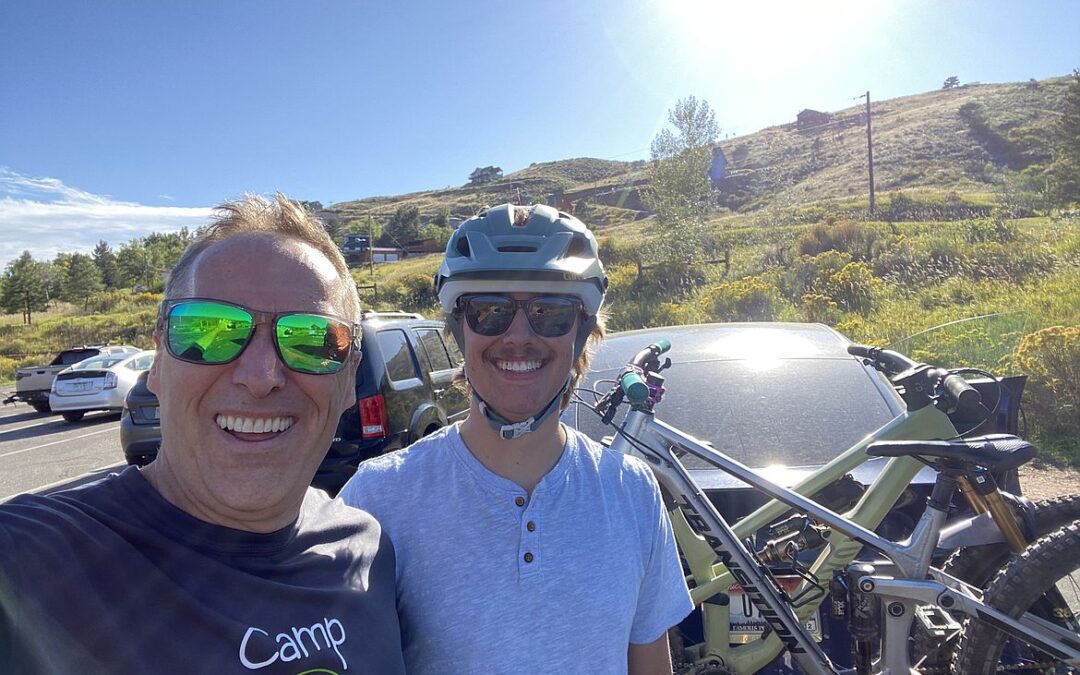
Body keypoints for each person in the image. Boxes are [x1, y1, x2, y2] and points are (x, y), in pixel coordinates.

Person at [0, 194, 405, 674]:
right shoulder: (29, 560)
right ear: (157, 364)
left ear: (349, 379)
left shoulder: (366, 551)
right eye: (208, 330)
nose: (261, 377)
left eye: (312, 338)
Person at [338, 203, 693, 674]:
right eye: (490, 311)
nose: (519, 335)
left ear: (582, 333)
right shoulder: (378, 498)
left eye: (550, 312)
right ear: (460, 331)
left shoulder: (631, 492)